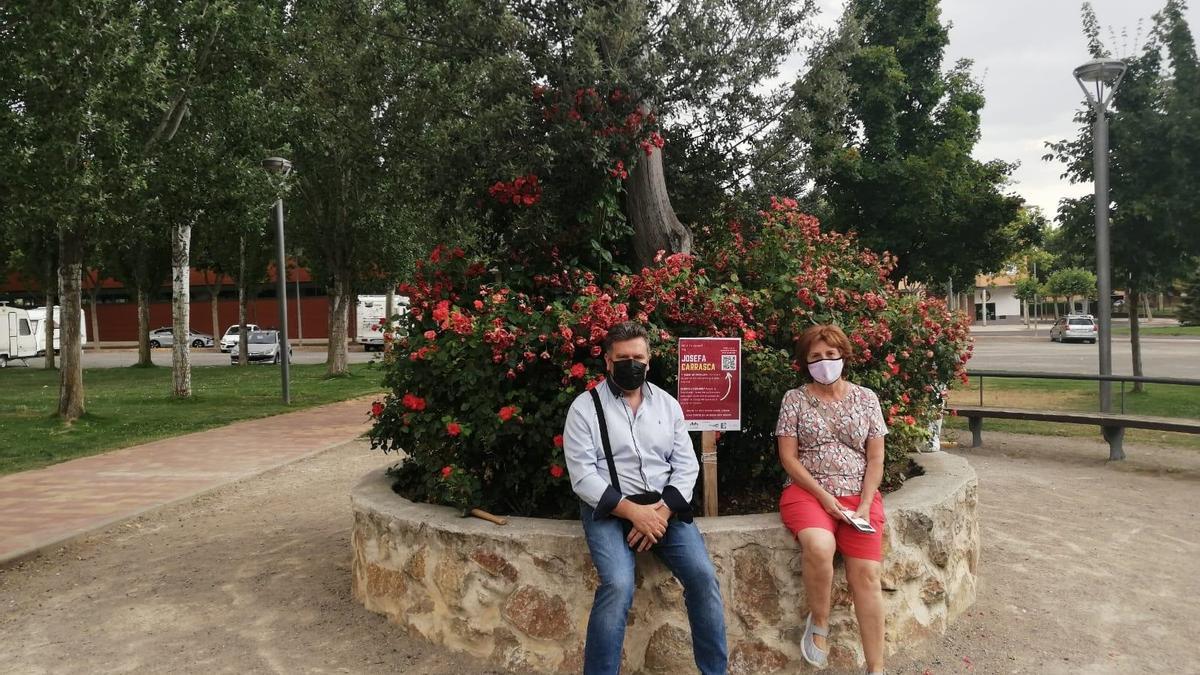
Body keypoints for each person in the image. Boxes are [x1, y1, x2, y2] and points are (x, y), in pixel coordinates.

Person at [562, 321, 728, 675]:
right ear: (607, 361)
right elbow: (582, 476)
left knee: (702, 577)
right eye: (622, 358)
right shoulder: (584, 408)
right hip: (609, 508)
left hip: (662, 507)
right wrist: (634, 514)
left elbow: (685, 466)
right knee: (618, 584)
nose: (631, 364)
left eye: (638, 357)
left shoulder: (668, 406)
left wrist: (661, 513)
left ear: (649, 361)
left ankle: (715, 671)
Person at [775, 324, 888, 674]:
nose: (824, 361)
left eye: (830, 354)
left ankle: (876, 667)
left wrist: (866, 505)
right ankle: (819, 623)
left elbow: (876, 458)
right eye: (815, 356)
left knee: (867, 574)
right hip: (809, 492)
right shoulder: (794, 399)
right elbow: (789, 458)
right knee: (820, 545)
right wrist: (824, 497)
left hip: (859, 495)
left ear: (843, 356)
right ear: (805, 362)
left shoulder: (867, 398)